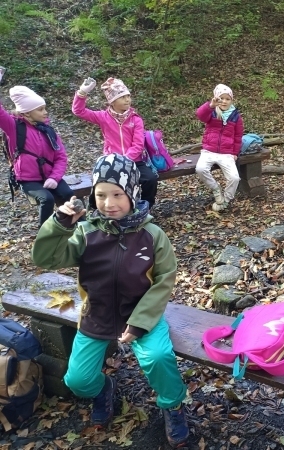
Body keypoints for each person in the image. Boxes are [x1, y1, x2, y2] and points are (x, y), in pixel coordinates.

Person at [31, 154, 188, 448]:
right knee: (77, 380)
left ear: (132, 193)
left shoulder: (152, 235)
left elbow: (164, 280)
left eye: (117, 194)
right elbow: (45, 258)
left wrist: (140, 323)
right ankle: (103, 389)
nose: (108, 203)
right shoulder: (86, 232)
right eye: (101, 195)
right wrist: (60, 224)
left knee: (158, 357)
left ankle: (173, 404)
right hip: (97, 314)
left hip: (142, 314)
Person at [72, 77, 158, 208]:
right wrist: (82, 93)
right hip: (111, 161)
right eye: (122, 97)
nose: (127, 100)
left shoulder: (135, 119)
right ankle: (96, 209)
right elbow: (79, 111)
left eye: (128, 96)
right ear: (112, 101)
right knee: (102, 182)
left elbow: (138, 145)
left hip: (134, 161)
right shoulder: (103, 117)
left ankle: (146, 207)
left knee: (150, 179)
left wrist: (124, 160)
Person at [0, 85, 74, 227]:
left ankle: (77, 227)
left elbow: (61, 157)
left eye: (45, 108)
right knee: (47, 199)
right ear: (27, 113)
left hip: (50, 176)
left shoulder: (48, 131)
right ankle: (44, 234)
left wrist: (54, 177)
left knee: (68, 195)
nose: (45, 112)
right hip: (28, 180)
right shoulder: (14, 127)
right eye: (40, 109)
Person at [195, 83, 244, 212]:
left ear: (231, 100)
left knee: (234, 178)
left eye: (227, 99)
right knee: (200, 169)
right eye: (221, 98)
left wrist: (235, 153)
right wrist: (211, 105)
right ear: (216, 98)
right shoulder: (211, 112)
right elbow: (200, 115)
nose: (224, 101)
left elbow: (238, 136)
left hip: (226, 153)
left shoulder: (236, 116)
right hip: (209, 151)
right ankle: (216, 189)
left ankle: (226, 200)